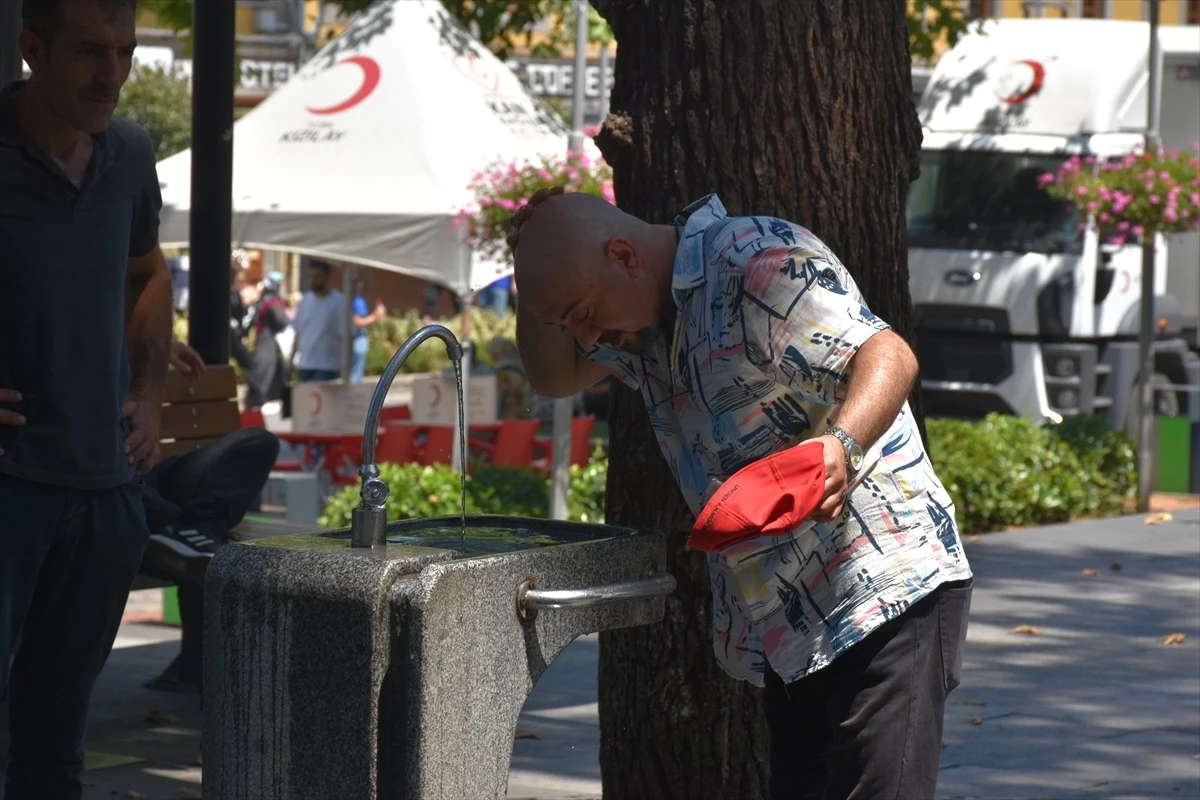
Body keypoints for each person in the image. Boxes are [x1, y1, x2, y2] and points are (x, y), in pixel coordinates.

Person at [509, 189, 973, 800]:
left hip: (883, 585)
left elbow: (888, 353)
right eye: (568, 322)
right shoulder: (640, 329)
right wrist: (534, 266)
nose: (586, 334)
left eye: (582, 311)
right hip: (788, 623)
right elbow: (552, 374)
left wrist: (841, 445)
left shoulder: (755, 263)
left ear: (623, 255)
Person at [0, 1, 173, 796]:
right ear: (32, 48)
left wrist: (149, 390)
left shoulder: (131, 155)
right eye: (89, 53)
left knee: (55, 745)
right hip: (9, 488)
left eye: (126, 52)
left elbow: (148, 272)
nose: (112, 75)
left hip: (103, 495)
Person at [140, 342, 280, 693]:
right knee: (125, 492)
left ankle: (191, 528)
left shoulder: (125, 337)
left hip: (156, 472)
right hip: (111, 480)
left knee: (257, 442)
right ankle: (185, 530)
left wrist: (159, 346)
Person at [290, 259, 346, 382]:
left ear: (327, 277)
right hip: (305, 364)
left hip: (327, 366)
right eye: (311, 276)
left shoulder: (339, 302)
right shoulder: (305, 300)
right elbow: (298, 332)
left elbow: (347, 335)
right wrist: (291, 359)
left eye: (317, 277)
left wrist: (345, 366)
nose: (313, 281)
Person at [245, 270, 289, 410]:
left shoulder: (263, 301)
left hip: (266, 344)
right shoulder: (272, 301)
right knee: (262, 380)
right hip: (267, 345)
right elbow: (281, 321)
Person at [349, 276, 386, 384]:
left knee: (355, 374)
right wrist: (376, 315)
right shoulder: (356, 301)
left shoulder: (350, 299)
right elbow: (357, 322)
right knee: (355, 376)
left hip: (353, 339)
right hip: (358, 339)